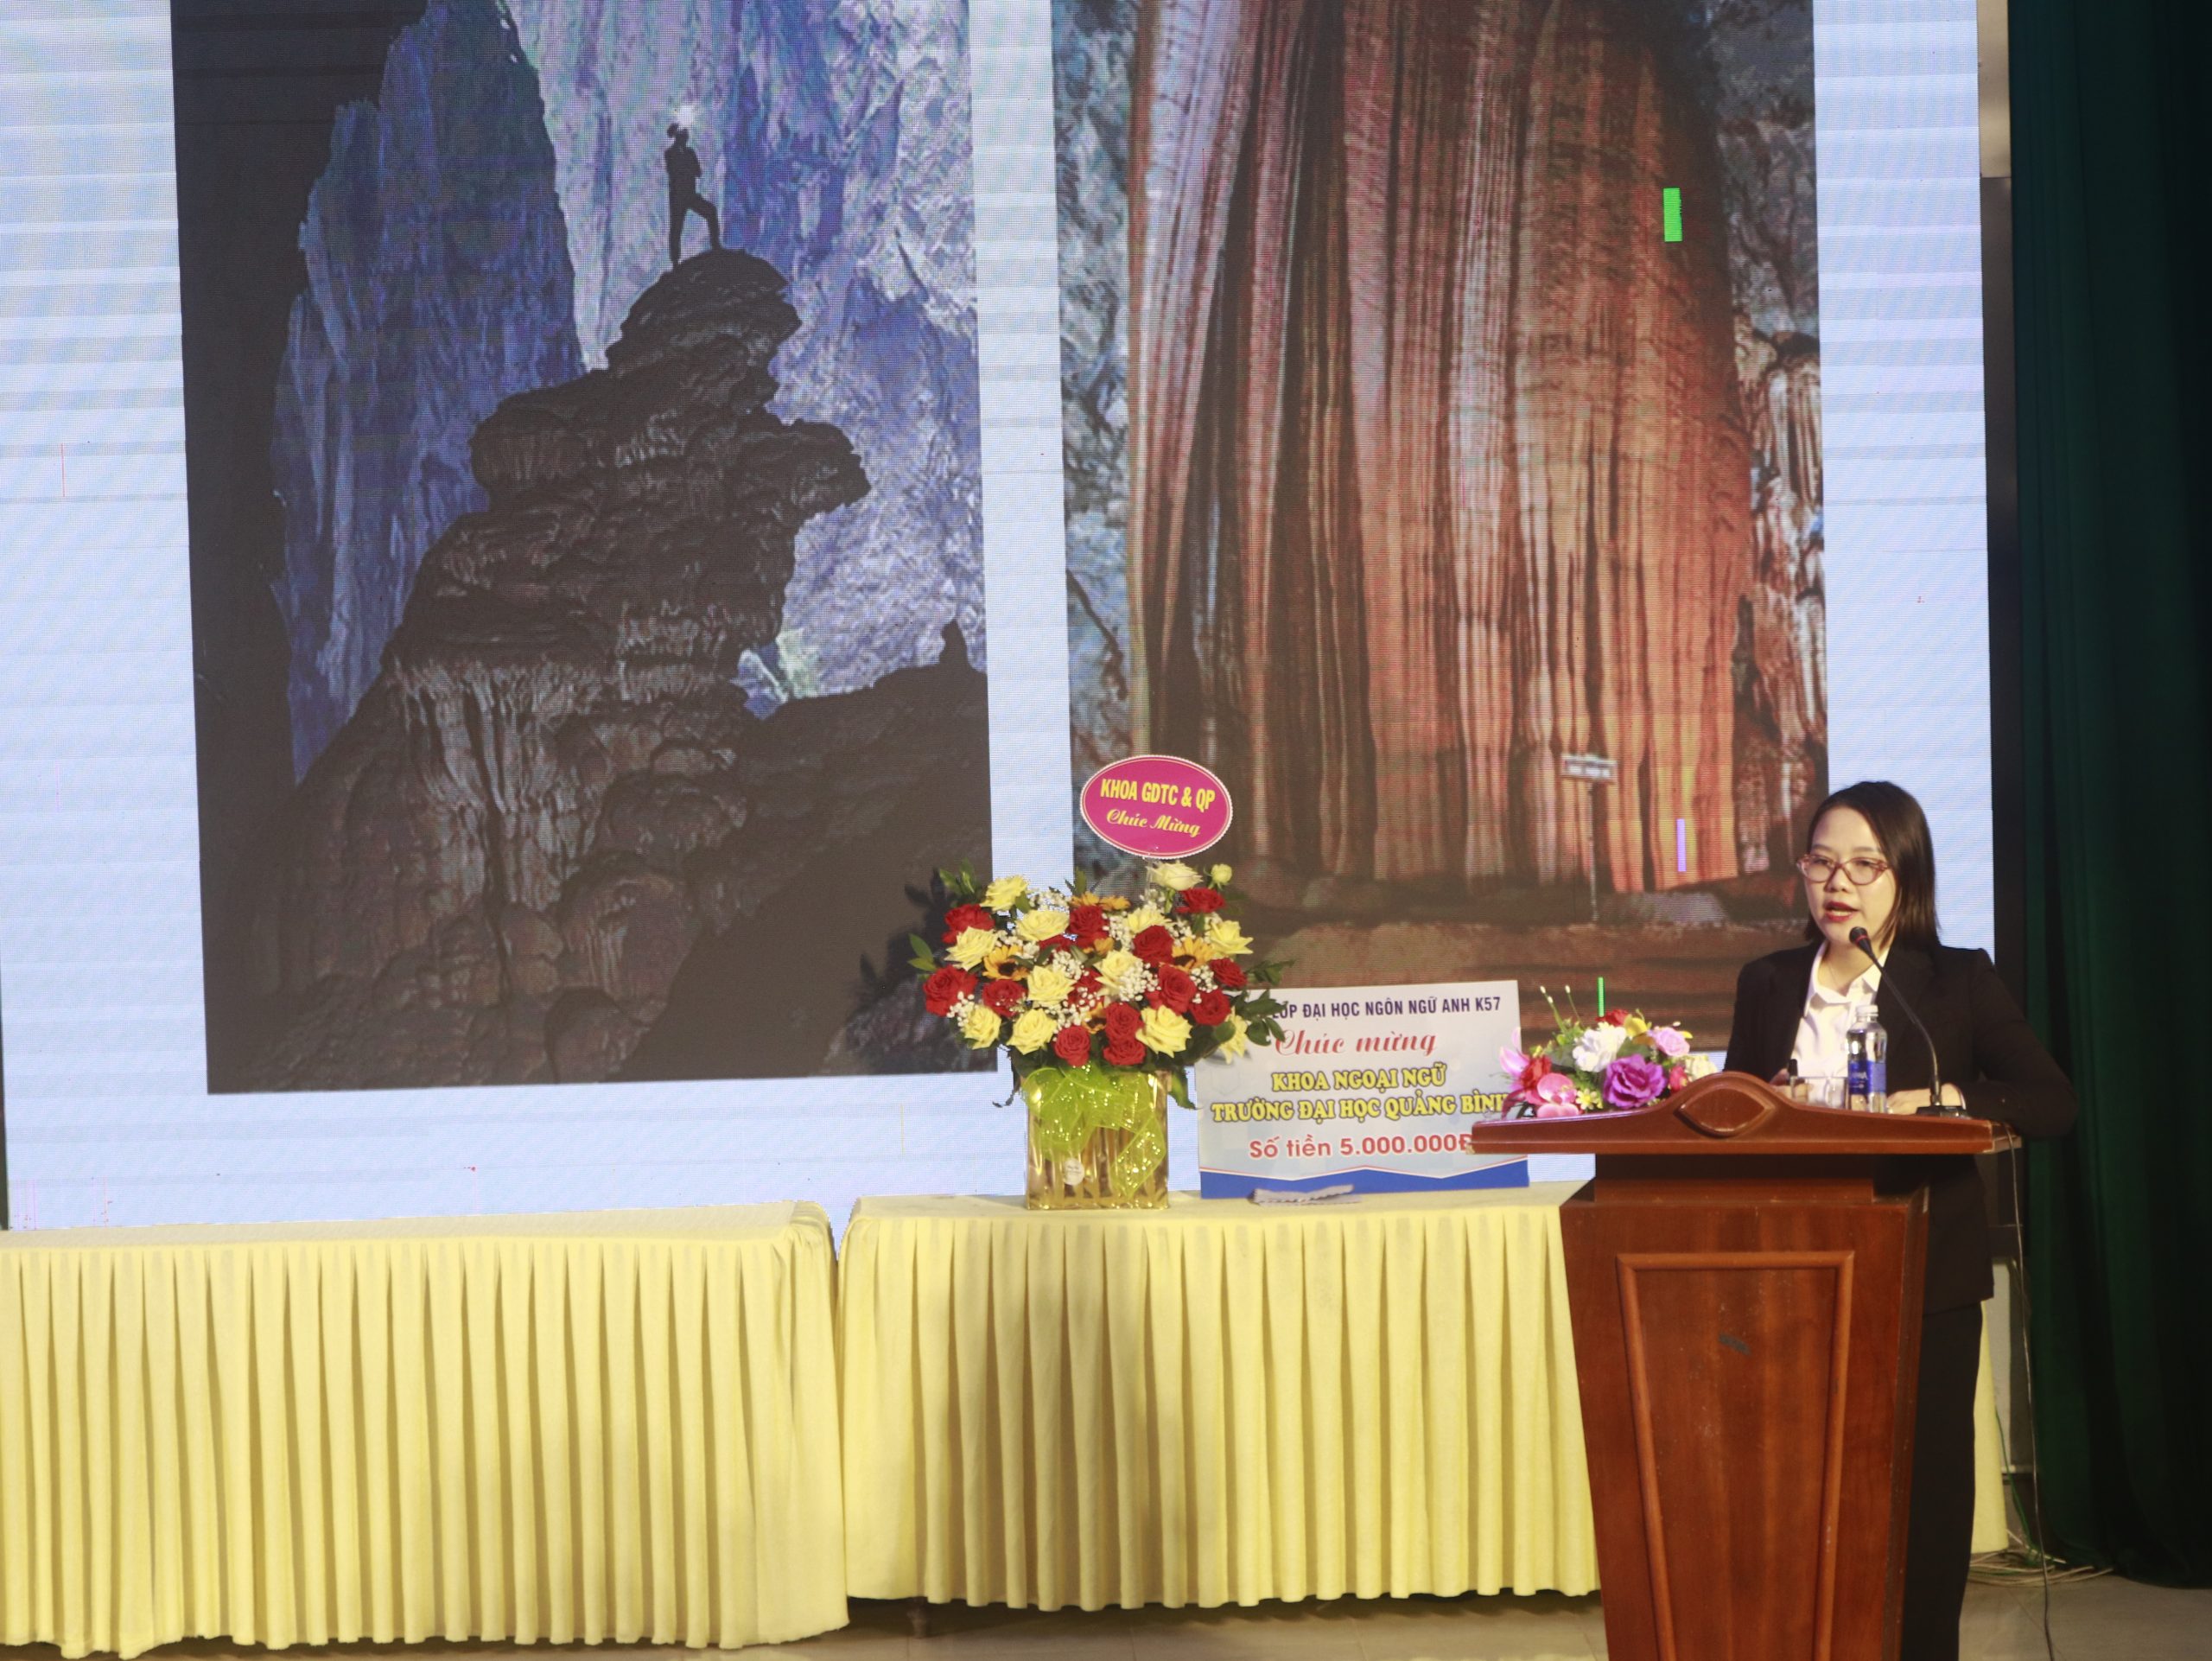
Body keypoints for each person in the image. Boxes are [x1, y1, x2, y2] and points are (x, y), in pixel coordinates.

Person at [1725, 780, 2075, 1661]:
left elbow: (2049, 1100)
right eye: (1821, 862)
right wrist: (1764, 1104)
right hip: (1793, 1271)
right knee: (1801, 1486)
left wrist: (1943, 1097)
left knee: (1924, 1494)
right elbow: (1729, 1117)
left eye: (1863, 865)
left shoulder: (1953, 979)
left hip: (1924, 1275)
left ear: (1904, 877)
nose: (1837, 883)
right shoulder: (1767, 982)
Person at [664, 123, 720, 267]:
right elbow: (677, 172)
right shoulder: (672, 153)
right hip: (679, 196)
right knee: (676, 228)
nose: (686, 138)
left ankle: (715, 245)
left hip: (687, 195)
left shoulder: (686, 153)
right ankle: (675, 261)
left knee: (709, 212)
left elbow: (697, 172)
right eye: (684, 136)